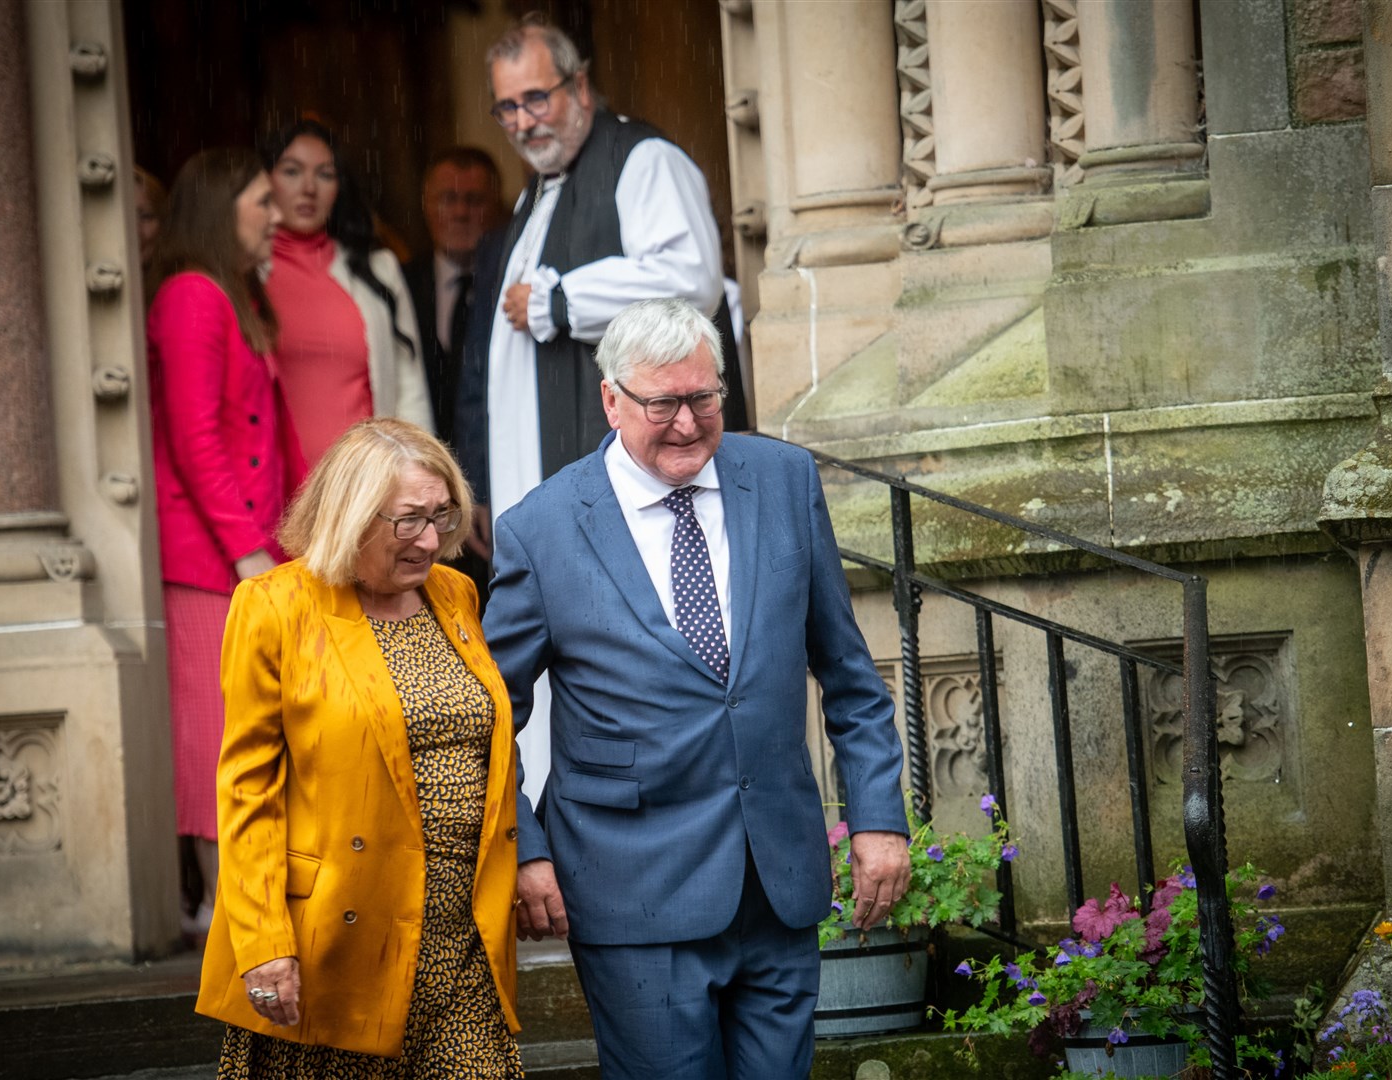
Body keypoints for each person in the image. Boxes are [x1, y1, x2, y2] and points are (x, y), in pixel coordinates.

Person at [483, 298, 909, 1079]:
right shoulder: (539, 530)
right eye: (662, 404)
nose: (687, 423)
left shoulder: (783, 481)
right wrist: (526, 850)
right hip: (630, 887)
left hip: (776, 883)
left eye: (704, 399)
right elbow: (488, 717)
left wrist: (879, 818)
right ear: (611, 399)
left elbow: (848, 674)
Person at [198, 418, 524, 1078]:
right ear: (350, 515)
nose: (431, 540)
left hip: (462, 935)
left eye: (442, 515)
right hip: (335, 941)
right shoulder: (275, 607)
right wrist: (263, 943)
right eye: (409, 521)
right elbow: (247, 791)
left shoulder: (455, 595)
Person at [458, 15, 748, 533]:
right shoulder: (537, 190)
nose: (524, 122)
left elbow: (691, 280)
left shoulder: (643, 158)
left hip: (629, 478)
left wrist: (563, 301)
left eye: (536, 99)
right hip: (539, 483)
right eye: (507, 108)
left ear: (581, 87)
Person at [146, 147, 306, 941]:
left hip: (248, 553)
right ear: (220, 212)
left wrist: (312, 529)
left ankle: (239, 904)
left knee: (251, 725)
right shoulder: (189, 296)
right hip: (210, 560)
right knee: (218, 731)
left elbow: (277, 437)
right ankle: (220, 909)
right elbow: (193, 439)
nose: (276, 216)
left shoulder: (233, 295)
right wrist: (248, 549)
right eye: (261, 203)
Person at [262, 119, 432, 465]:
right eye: (292, 171)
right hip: (271, 493)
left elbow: (409, 389)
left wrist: (418, 475)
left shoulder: (378, 268)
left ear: (340, 187)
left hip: (365, 489)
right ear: (264, 181)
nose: (308, 188)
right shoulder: (245, 274)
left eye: (325, 174)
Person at [403, 146, 502, 445]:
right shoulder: (400, 283)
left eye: (474, 201)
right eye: (448, 199)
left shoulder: (514, 288)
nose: (460, 212)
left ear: (496, 206)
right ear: (425, 206)